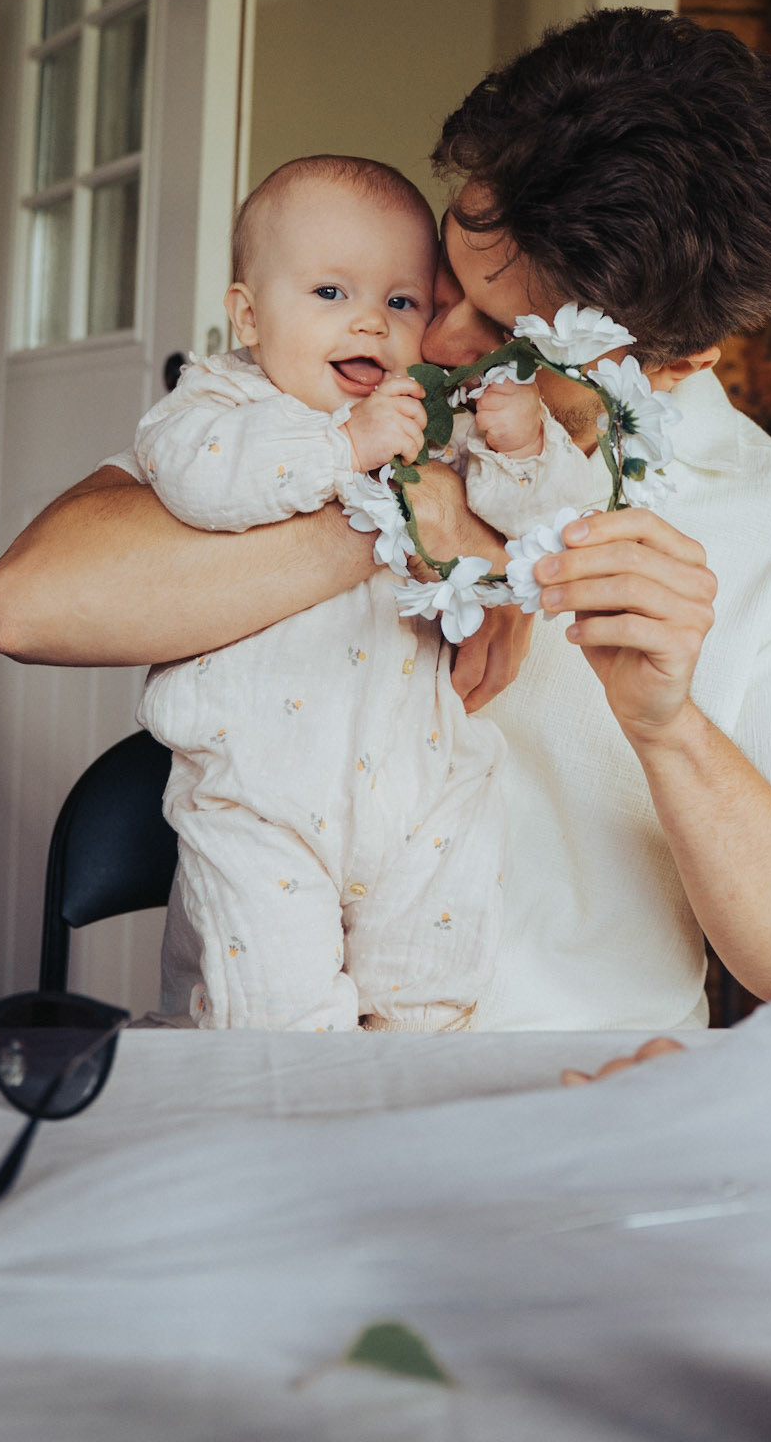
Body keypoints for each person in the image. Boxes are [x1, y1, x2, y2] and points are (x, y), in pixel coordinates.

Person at [0, 10, 771, 1029]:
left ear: (676, 362)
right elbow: (32, 604)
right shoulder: (327, 394)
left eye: (508, 330)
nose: (436, 338)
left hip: (571, 1096)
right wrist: (412, 522)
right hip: (277, 1066)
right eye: (447, 278)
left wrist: (669, 727)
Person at [133, 154, 596, 1030]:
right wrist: (343, 449)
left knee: (426, 1005)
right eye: (329, 293)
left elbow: (543, 532)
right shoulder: (218, 401)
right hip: (258, 790)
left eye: (401, 301)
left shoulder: (421, 416)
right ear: (247, 314)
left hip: (422, 783)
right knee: (278, 1018)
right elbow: (199, 480)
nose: (370, 323)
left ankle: (405, 1101)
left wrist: (521, 447)